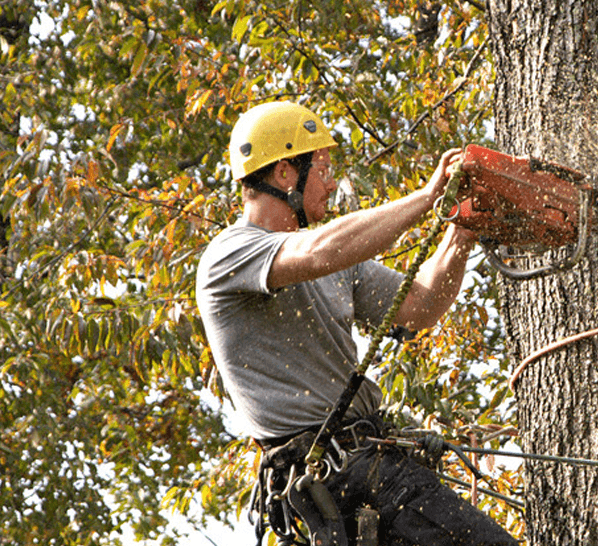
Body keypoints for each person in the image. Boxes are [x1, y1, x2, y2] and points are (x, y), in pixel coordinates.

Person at [195, 101, 516, 546]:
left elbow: (419, 305)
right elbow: (318, 253)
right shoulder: (230, 254)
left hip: (369, 464)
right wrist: (427, 198)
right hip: (339, 475)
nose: (330, 184)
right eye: (322, 169)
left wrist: (461, 230)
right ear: (286, 173)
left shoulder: (335, 260)